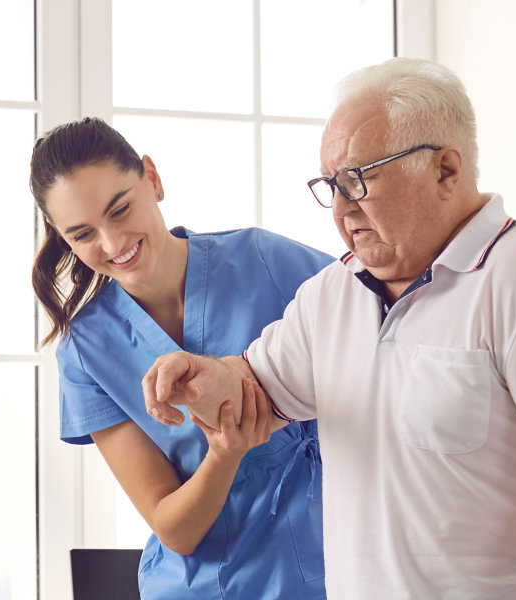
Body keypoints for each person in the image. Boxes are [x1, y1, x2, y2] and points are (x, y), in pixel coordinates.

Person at [140, 58, 516, 599]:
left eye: (357, 180)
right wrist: (198, 377)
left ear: (446, 169)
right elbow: (249, 393)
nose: (339, 209)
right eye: (330, 185)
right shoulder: (331, 293)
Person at [30, 117, 334, 598]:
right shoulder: (85, 351)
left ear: (152, 178)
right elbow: (174, 527)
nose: (112, 245)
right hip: (201, 587)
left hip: (325, 571)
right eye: (83, 234)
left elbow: (382, 328)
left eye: (120, 209)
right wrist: (223, 453)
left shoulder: (266, 261)